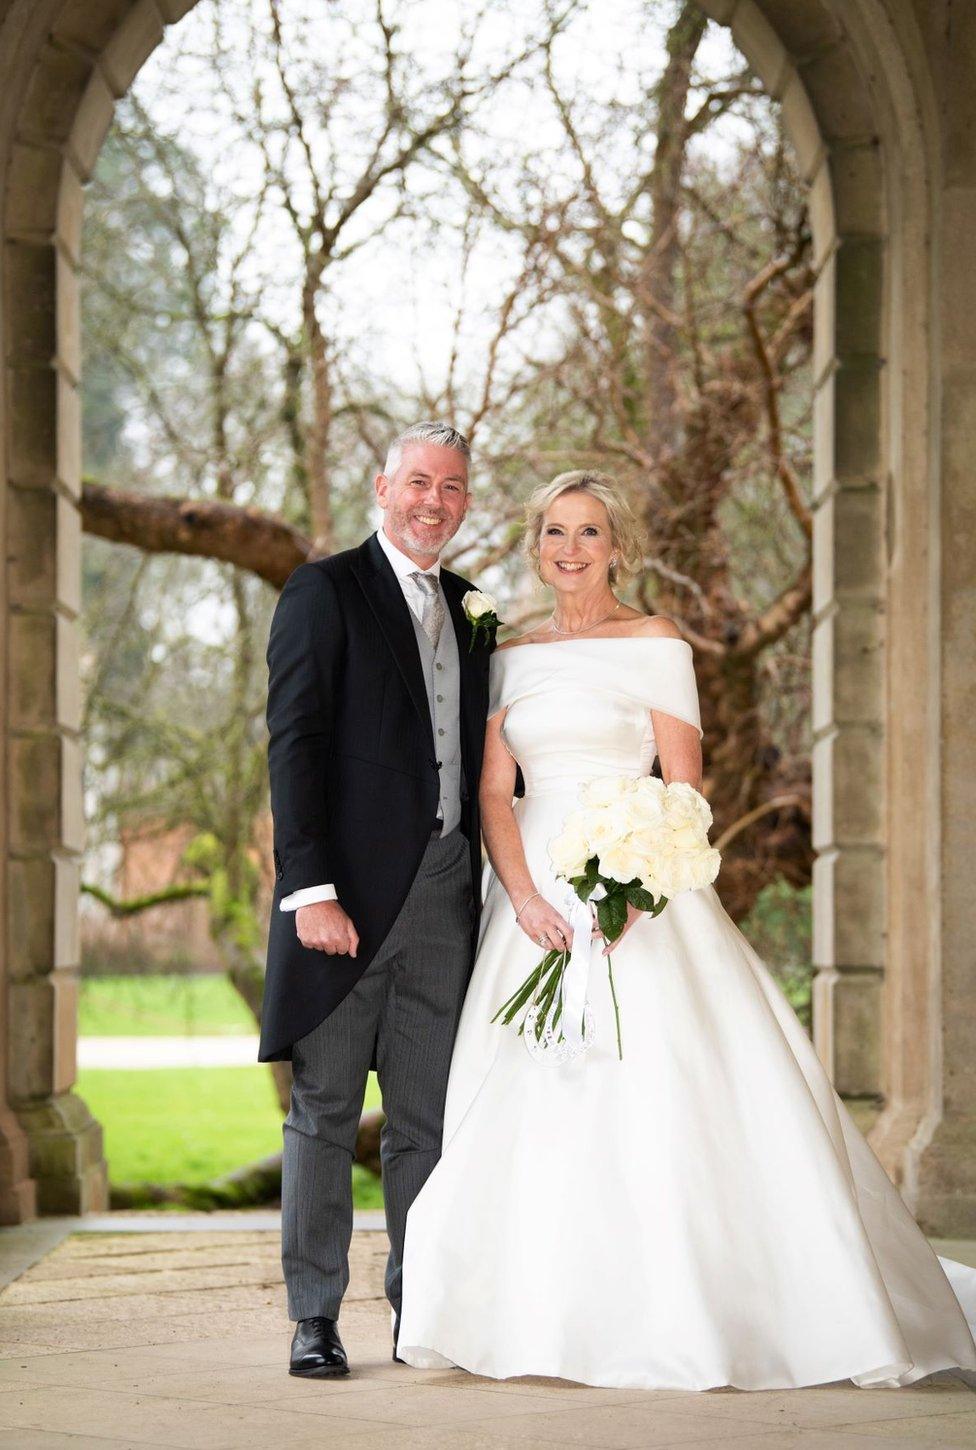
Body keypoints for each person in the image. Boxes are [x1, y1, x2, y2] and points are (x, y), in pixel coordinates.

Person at [396, 469, 976, 1391]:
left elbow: (682, 789)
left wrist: (630, 893)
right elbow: (491, 792)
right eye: (554, 532)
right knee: (523, 1095)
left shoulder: (657, 642)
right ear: (535, 546)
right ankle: (529, 1311)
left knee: (661, 1087)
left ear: (617, 546)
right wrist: (528, 896)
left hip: (638, 897)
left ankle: (698, 1307)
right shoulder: (506, 649)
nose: (571, 549)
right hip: (532, 902)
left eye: (589, 532)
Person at [259, 421, 492, 1378]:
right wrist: (309, 889)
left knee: (425, 1118)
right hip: (343, 903)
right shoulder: (323, 590)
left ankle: (417, 1304)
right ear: (381, 487)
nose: (434, 500)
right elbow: (295, 743)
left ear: (466, 500)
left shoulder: (476, 609)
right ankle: (314, 1317)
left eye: (452, 486)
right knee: (321, 1112)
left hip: (445, 894)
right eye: (417, 483)